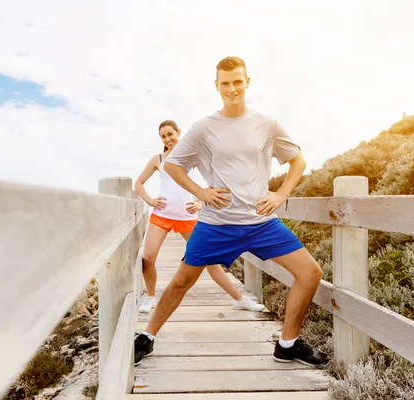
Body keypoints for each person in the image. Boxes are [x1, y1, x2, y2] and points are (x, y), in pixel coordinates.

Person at [134, 56, 328, 367]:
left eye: (238, 81)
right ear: (217, 86)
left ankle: (288, 344)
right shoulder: (203, 128)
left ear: (247, 82)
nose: (232, 88)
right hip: (216, 224)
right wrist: (200, 192)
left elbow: (298, 160)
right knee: (182, 280)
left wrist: (282, 194)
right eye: (226, 83)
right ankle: (147, 337)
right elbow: (172, 164)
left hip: (262, 223)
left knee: (310, 273)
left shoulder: (267, 123)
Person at [134, 119, 265, 317]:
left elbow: (217, 181)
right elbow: (139, 183)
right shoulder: (158, 159)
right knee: (147, 257)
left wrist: (202, 202)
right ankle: (150, 297)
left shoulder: (192, 156)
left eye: (171, 134)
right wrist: (150, 200)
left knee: (210, 261)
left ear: (179, 132)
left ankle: (240, 299)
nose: (168, 139)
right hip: (162, 215)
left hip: (187, 217)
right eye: (163, 136)